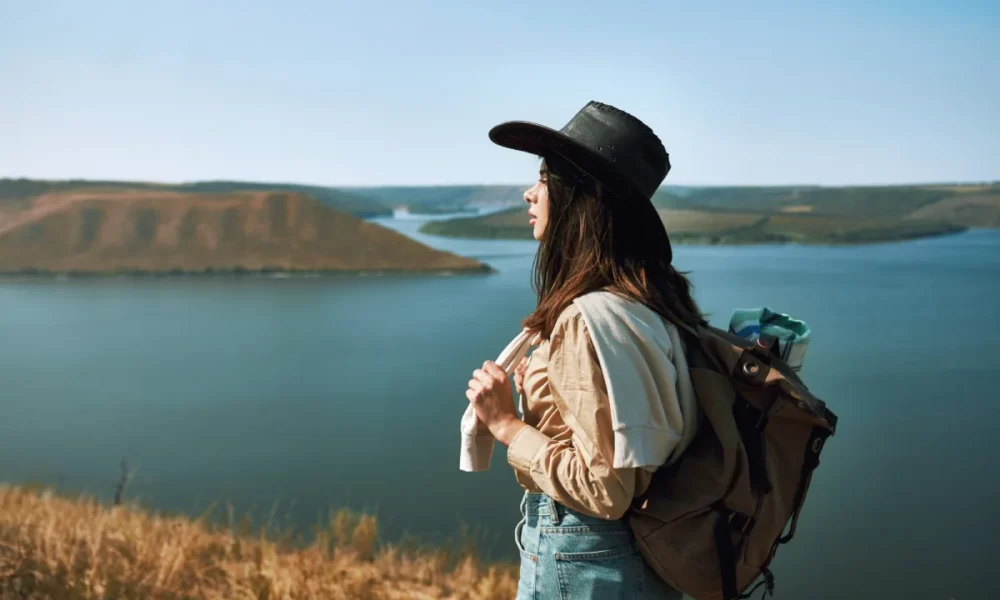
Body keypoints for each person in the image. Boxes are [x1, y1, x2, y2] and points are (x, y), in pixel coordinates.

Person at [464, 101, 706, 599]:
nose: (530, 193)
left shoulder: (586, 319)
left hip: (586, 560)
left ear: (581, 196)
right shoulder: (647, 302)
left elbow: (606, 489)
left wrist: (505, 424)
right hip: (633, 558)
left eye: (544, 179)